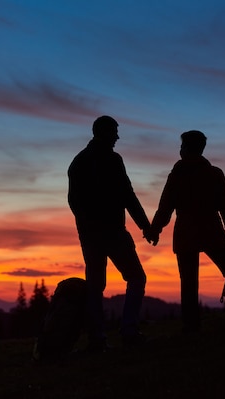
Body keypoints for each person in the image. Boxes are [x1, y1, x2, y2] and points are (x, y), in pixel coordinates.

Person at [68, 115, 157, 351]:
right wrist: (145, 226)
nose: (118, 137)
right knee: (136, 277)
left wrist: (87, 228)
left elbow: (74, 202)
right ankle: (128, 331)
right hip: (112, 232)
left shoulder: (78, 161)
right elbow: (127, 195)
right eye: (114, 132)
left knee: (96, 285)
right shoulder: (112, 160)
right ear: (103, 132)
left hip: (90, 235)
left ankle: (97, 339)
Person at [149, 130, 225, 333]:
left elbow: (165, 207)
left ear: (186, 148)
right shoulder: (214, 174)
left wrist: (155, 229)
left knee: (189, 282)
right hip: (212, 230)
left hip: (186, 234)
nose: (180, 150)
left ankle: (191, 326)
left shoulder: (177, 175)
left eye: (182, 146)